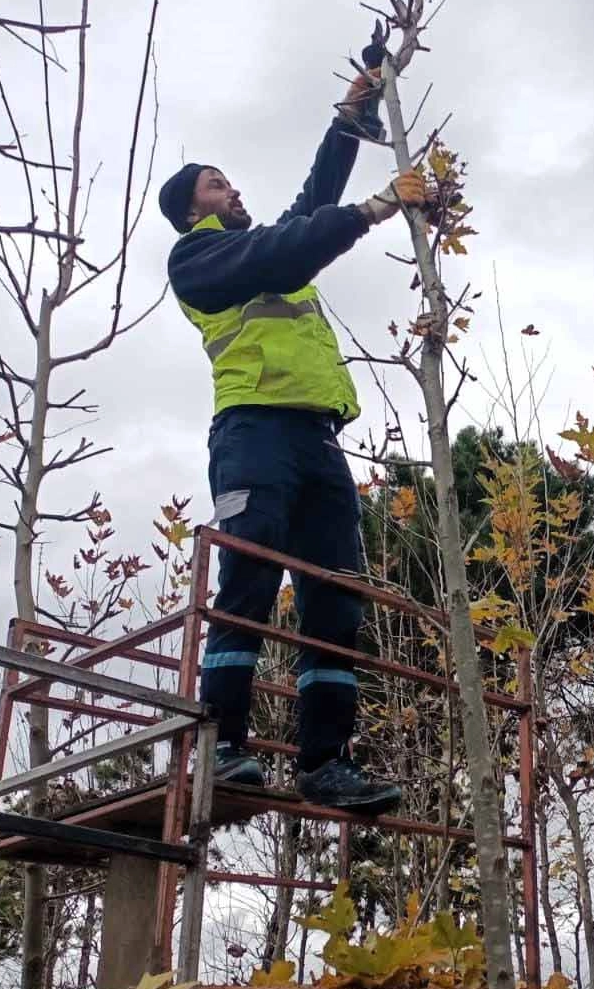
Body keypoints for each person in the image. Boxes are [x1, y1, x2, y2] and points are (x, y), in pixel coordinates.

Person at [156, 41, 422, 814]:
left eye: (230, 180)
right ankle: (225, 745)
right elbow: (287, 244)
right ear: (190, 208)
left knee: (336, 594)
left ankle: (326, 760)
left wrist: (350, 114)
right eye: (215, 183)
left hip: (316, 440)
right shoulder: (199, 262)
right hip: (253, 434)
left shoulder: (260, 247)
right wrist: (374, 211)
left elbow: (310, 205)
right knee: (247, 580)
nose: (231, 188)